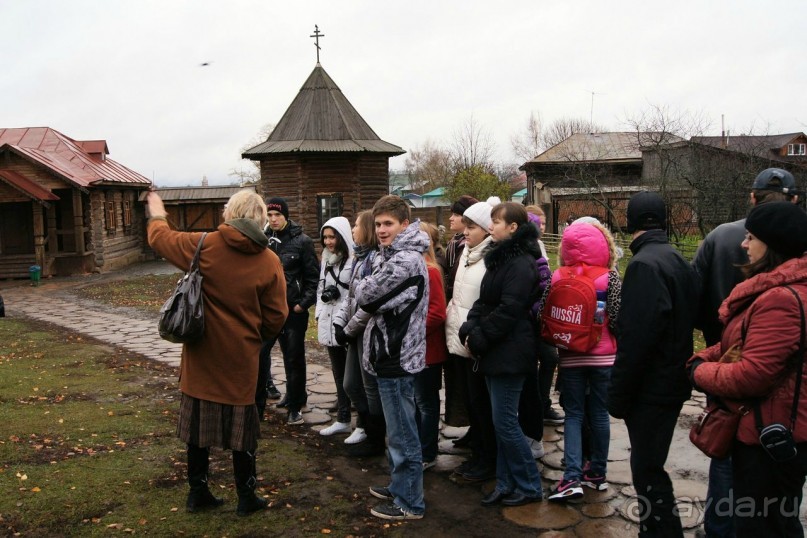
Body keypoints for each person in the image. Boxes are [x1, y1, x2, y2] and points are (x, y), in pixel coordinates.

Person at [145, 190, 288, 516]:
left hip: (201, 356)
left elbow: (160, 238)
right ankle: (246, 498)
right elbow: (277, 316)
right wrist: (253, 338)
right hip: (242, 360)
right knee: (243, 431)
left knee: (197, 428)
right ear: (262, 218)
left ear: (231, 213)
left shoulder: (204, 245)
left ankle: (198, 492)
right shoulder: (270, 261)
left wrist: (156, 212)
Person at [691, 167, 800, 538]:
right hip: (758, 407)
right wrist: (712, 355)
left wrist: (697, 370)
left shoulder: (779, 298)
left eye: (751, 237)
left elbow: (754, 373)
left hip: (767, 421)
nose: (743, 243)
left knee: (761, 515)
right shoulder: (771, 288)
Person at [607, 191, 700, 536]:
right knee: (650, 464)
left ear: (630, 223)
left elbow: (636, 340)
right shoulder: (676, 259)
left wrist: (618, 395)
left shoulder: (645, 265)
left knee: (647, 470)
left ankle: (662, 530)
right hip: (672, 381)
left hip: (652, 388)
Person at [460, 202, 544, 507]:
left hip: (511, 352)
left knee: (507, 423)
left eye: (496, 221)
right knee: (500, 423)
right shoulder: (500, 259)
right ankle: (506, 482)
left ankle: (530, 485)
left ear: (513, 228)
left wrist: (480, 336)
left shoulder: (521, 262)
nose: (491, 226)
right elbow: (485, 300)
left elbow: (511, 309)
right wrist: (470, 325)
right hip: (497, 351)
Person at [357, 195, 429, 521]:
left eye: (388, 224)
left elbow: (366, 295)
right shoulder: (390, 256)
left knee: (403, 435)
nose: (382, 230)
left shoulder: (407, 261)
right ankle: (400, 485)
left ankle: (409, 503)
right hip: (388, 355)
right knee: (396, 432)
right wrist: (367, 280)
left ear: (404, 224)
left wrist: (365, 283)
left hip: (397, 357)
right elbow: (367, 285)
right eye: (378, 224)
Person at [540, 220, 622, 502]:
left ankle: (571, 476)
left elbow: (544, 311)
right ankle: (597, 472)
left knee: (574, 415)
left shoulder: (557, 275)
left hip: (570, 354)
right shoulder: (609, 277)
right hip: (604, 355)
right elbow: (619, 316)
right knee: (599, 414)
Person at [445, 197, 497, 481]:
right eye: (465, 225)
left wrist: (477, 334)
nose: (465, 231)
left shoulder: (491, 257)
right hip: (461, 336)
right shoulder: (468, 252)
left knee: (483, 404)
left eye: (472, 226)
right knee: (472, 400)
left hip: (478, 341)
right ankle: (478, 447)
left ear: (488, 229)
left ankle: (486, 459)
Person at [257, 197, 319, 426]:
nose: (273, 219)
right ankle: (259, 401)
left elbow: (313, 277)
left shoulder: (302, 241)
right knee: (261, 354)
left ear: (286, 216)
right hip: (269, 311)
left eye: (278, 215)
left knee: (293, 358)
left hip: (293, 311)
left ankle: (295, 404)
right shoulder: (262, 241)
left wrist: (302, 304)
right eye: (270, 215)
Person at [333, 211, 382, 453]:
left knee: (369, 386)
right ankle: (365, 424)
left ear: (367, 230)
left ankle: (373, 436)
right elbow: (351, 296)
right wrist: (341, 322)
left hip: (366, 331)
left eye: (356, 225)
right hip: (354, 331)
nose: (353, 230)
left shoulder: (375, 260)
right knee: (350, 384)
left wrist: (350, 329)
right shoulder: (359, 258)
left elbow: (370, 304)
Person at [316, 216, 356, 437]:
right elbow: (321, 286)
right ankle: (343, 418)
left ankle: (361, 423)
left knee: (353, 378)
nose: (328, 241)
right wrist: (319, 313)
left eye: (332, 236)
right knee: (338, 373)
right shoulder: (326, 259)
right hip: (328, 320)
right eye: (325, 237)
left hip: (347, 324)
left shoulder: (353, 260)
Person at [442, 195, 478, 431]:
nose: (451, 218)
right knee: (457, 380)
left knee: (470, 384)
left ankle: (476, 432)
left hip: (468, 322)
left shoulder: (470, 249)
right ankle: (466, 426)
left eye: (456, 214)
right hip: (454, 317)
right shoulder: (455, 244)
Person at [525, 204, 564, 427]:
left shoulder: (538, 244)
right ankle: (536, 406)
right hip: (532, 316)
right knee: (541, 359)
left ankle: (543, 404)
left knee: (550, 358)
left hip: (542, 315)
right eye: (538, 224)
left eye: (543, 224)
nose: (542, 227)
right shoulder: (528, 247)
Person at [415, 221, 449, 470]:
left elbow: (437, 313)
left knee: (426, 403)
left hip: (427, 350)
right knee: (416, 401)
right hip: (414, 349)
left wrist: (412, 334)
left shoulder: (431, 271)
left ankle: (427, 452)